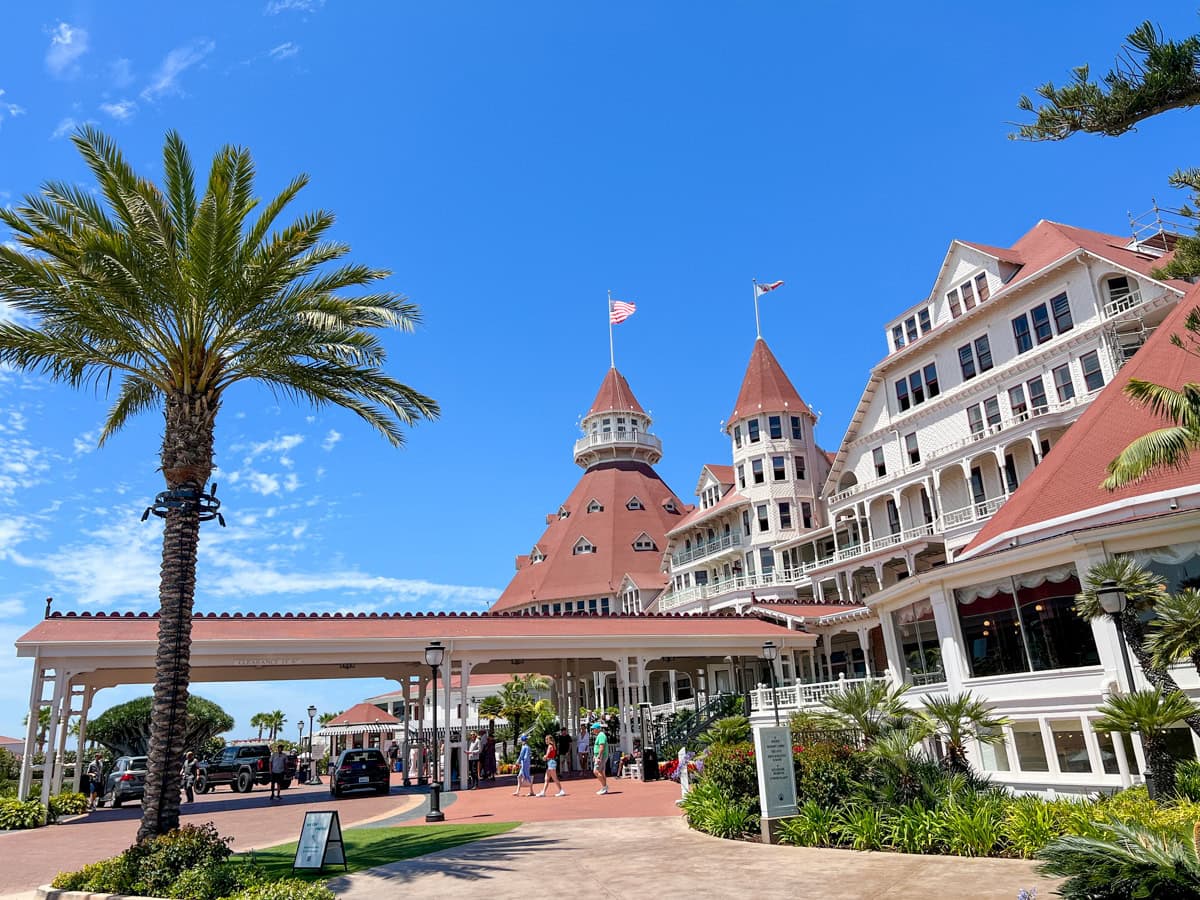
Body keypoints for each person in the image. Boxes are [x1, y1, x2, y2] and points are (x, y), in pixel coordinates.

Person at [590, 721, 608, 795]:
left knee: (596, 771)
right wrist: (595, 755)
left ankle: (605, 786)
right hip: (600, 756)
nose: (592, 730)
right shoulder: (600, 735)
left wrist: (598, 757)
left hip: (601, 756)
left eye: (593, 729)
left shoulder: (601, 735)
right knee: (601, 772)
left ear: (597, 729)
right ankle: (604, 788)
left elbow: (601, 747)